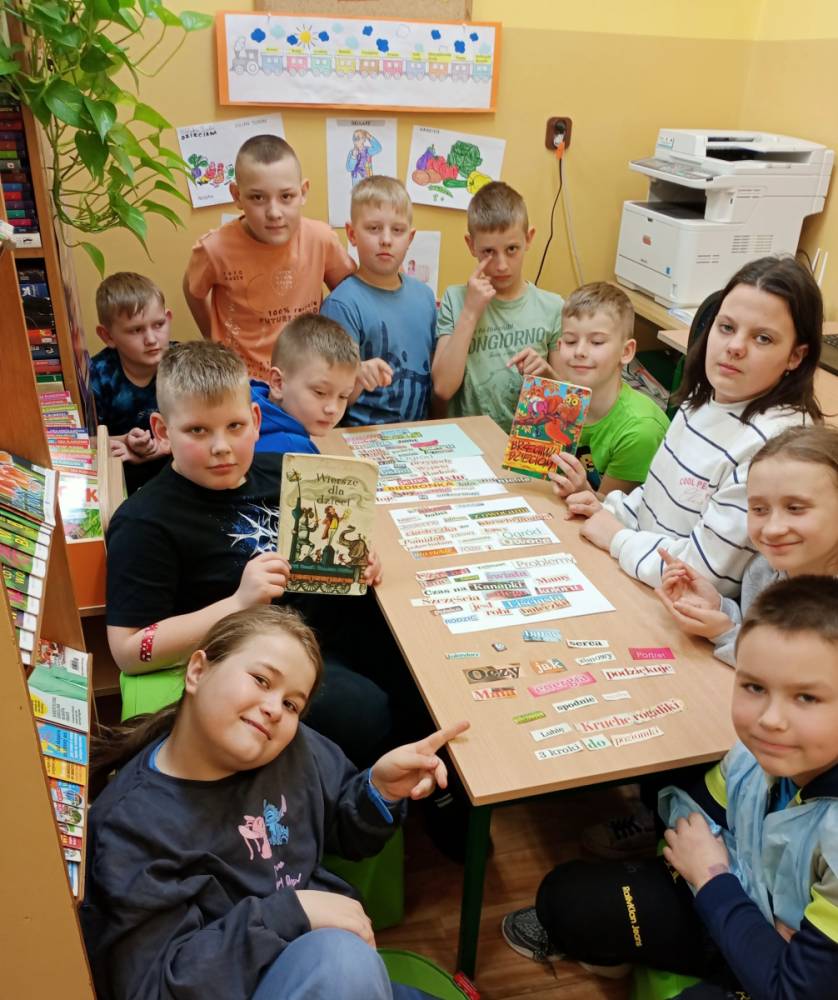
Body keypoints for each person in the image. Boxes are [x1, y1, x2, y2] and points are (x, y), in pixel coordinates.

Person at [82, 603, 469, 1000]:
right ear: (197, 671)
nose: (273, 709)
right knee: (343, 962)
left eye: (291, 704)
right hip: (259, 981)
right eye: (261, 680)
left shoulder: (294, 748)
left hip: (320, 969)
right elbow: (152, 988)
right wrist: (289, 914)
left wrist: (379, 790)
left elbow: (344, 832)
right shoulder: (131, 826)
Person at [502, 575, 838, 999]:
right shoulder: (760, 755)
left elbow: (792, 991)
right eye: (754, 687)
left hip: (778, 967)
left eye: (806, 698)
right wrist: (730, 895)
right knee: (565, 897)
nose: (770, 719)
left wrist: (712, 877)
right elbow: (689, 816)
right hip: (746, 920)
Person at [104, 340, 396, 768]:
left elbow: (329, 544)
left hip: (329, 628)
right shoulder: (145, 522)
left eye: (235, 426)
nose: (221, 446)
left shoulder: (285, 473)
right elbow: (129, 650)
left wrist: (357, 560)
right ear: (163, 432)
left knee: (417, 667)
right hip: (261, 665)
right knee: (365, 712)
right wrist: (238, 603)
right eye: (198, 431)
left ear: (256, 421)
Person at [562, 256, 823, 597]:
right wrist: (609, 510)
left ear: (795, 356)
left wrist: (617, 537)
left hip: (682, 601)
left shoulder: (775, 447)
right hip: (645, 575)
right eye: (726, 327)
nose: (734, 347)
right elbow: (655, 499)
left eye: (762, 338)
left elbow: (704, 577)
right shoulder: (705, 399)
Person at [658, 424, 838, 665]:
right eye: (759, 509)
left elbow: (793, 673)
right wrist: (717, 608)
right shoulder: (762, 570)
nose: (772, 529)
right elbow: (762, 635)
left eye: (795, 508)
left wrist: (725, 634)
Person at [183, 134, 355, 382]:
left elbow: (350, 294)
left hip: (304, 379)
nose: (274, 212)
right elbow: (193, 289)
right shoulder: (214, 248)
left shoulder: (321, 239)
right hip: (242, 382)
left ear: (303, 192)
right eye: (257, 198)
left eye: (286, 196)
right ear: (237, 195)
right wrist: (212, 340)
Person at [432, 181, 563, 433]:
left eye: (511, 249)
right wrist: (470, 312)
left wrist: (546, 374)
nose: (502, 265)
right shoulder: (456, 299)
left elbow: (568, 404)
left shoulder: (553, 307)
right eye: (489, 252)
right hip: (467, 442)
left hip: (526, 445)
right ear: (471, 245)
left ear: (529, 238)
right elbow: (443, 388)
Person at [319, 175, 436, 425]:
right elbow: (328, 398)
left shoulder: (425, 298)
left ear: (410, 238)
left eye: (397, 230)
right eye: (373, 228)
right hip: (358, 436)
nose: (386, 239)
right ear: (352, 234)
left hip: (419, 436)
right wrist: (358, 377)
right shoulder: (342, 305)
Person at [546, 282, 669, 496]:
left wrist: (583, 490)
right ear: (559, 346)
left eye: (596, 342)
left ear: (626, 351)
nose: (580, 351)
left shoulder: (641, 430)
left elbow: (613, 509)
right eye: (570, 341)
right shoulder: (558, 401)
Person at [89, 272, 173, 493]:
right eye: (136, 330)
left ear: (168, 318)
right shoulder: (97, 377)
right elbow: (81, 443)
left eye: (158, 324)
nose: (151, 339)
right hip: (121, 484)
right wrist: (125, 440)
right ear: (107, 336)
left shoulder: (184, 364)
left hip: (179, 473)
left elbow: (207, 427)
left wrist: (157, 448)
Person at [252, 314, 360, 454]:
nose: (333, 409)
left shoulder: (250, 398)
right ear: (278, 383)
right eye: (320, 392)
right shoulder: (294, 449)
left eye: (343, 396)